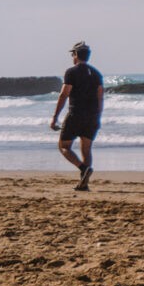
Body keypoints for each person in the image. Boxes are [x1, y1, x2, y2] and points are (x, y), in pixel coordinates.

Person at [51, 41, 104, 191]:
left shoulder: (71, 72)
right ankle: (84, 183)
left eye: (72, 54)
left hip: (76, 114)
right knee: (86, 149)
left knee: (64, 146)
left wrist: (55, 117)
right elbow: (100, 97)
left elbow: (63, 95)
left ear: (75, 55)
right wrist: (98, 117)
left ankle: (82, 169)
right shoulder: (96, 73)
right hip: (92, 116)